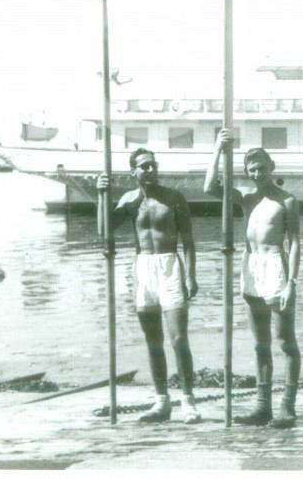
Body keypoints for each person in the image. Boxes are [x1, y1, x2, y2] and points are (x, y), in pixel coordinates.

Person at [205, 129, 301, 427]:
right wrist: (218, 149)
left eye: (261, 168)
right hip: (251, 266)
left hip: (276, 267)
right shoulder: (246, 198)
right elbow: (209, 187)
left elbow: (296, 242)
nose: (257, 174)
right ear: (247, 172)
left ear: (271, 167)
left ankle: (288, 407)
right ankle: (263, 407)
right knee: (260, 344)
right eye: (252, 170)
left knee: (285, 341)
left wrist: (292, 282)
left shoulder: (286, 200)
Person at [97, 148, 200, 423]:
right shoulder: (129, 200)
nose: (151, 170)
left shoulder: (174, 198)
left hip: (170, 265)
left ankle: (188, 401)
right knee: (153, 340)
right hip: (143, 267)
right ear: (133, 171)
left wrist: (191, 275)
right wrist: (101, 194)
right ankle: (161, 402)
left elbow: (188, 240)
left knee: (179, 339)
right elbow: (104, 231)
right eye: (144, 166)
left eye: (153, 164)